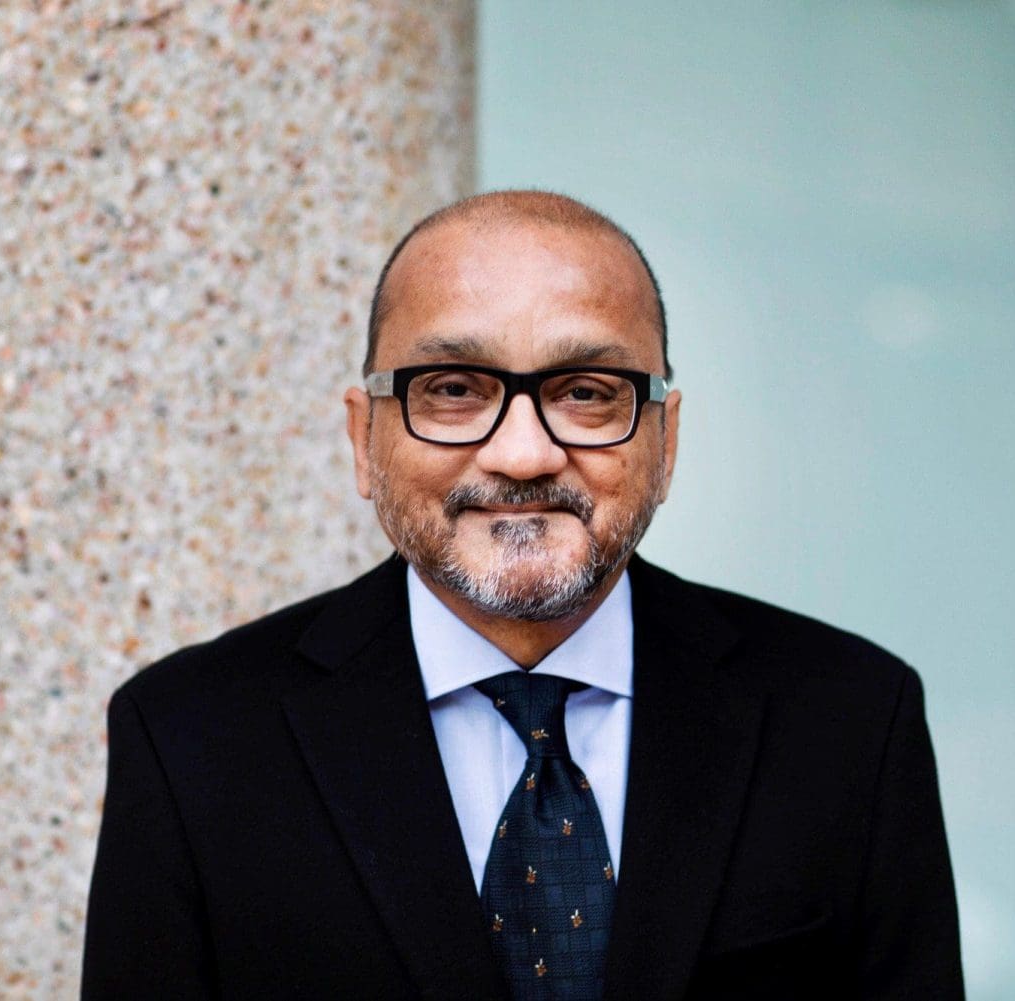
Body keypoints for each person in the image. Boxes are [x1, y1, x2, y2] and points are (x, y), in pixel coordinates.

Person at [81, 191, 964, 1000]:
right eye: (456, 389)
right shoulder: (190, 737)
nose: (523, 454)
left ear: (666, 439)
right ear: (364, 438)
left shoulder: (852, 718)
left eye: (586, 392)